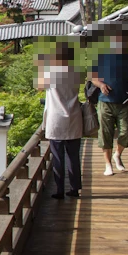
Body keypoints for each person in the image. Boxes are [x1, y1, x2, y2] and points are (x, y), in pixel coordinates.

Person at [90, 32, 128, 176]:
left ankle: (117, 154)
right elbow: (93, 78)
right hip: (105, 102)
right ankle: (108, 164)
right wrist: (101, 85)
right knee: (105, 134)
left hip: (124, 101)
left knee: (126, 131)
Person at [36, 42, 82, 199]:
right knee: (73, 156)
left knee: (57, 157)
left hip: (56, 119)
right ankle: (75, 188)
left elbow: (39, 86)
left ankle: (59, 189)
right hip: (74, 117)